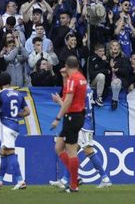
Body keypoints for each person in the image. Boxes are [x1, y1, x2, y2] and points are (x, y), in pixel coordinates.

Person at [52, 83, 111, 189]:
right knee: (75, 152)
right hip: (86, 122)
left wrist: (59, 101)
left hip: (81, 123)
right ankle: (65, 180)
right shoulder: (85, 86)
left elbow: (70, 109)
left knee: (86, 151)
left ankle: (104, 178)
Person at [49, 56, 87, 193]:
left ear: (66, 65)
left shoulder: (73, 79)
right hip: (76, 116)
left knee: (71, 151)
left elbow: (68, 101)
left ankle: (74, 185)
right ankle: (75, 178)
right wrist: (64, 79)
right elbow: (68, 99)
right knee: (59, 147)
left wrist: (57, 118)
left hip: (72, 117)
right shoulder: (81, 77)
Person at [0, 72, 29, 190]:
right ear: (10, 82)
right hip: (15, 126)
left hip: (6, 126)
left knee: (9, 152)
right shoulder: (18, 94)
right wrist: (18, 114)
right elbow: (27, 112)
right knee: (3, 152)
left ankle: (20, 180)